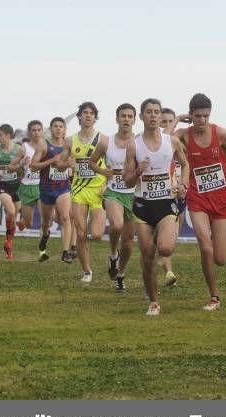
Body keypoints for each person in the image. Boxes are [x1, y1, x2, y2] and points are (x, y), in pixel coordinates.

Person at [170, 94, 226, 311]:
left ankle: (213, 248)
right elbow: (163, 142)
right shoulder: (184, 134)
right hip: (197, 198)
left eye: (206, 116)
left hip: (220, 199)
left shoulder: (219, 133)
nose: (202, 120)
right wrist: (177, 119)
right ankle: (214, 296)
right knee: (205, 246)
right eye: (198, 116)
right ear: (191, 115)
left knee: (220, 258)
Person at [122, 98, 189, 316]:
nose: (153, 115)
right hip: (142, 206)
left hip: (166, 204)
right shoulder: (134, 144)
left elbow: (185, 164)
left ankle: (160, 265)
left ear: (161, 117)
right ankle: (153, 301)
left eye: (156, 112)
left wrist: (183, 184)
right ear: (141, 117)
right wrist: (138, 172)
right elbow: (127, 181)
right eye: (149, 112)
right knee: (147, 256)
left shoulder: (172, 142)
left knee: (166, 248)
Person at [88, 103, 137, 293]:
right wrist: (103, 171)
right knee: (116, 225)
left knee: (128, 241)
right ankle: (113, 254)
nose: (126, 119)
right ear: (117, 119)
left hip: (133, 194)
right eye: (123, 116)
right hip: (113, 191)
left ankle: (121, 274)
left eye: (130, 116)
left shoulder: (139, 142)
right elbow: (91, 162)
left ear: (134, 120)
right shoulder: (106, 142)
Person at [62, 102, 108, 282]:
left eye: (91, 113)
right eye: (84, 113)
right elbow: (59, 163)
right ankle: (87, 271)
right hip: (79, 190)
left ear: (95, 117)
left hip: (98, 190)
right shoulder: (69, 140)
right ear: (79, 117)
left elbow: (113, 163)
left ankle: (84, 243)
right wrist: (68, 164)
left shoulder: (103, 139)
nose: (88, 115)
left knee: (96, 234)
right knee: (80, 234)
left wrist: (107, 183)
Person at [30, 117, 73, 263]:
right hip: (46, 189)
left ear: (64, 129)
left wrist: (71, 167)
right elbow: (33, 166)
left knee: (65, 217)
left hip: (63, 188)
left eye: (61, 126)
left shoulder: (70, 144)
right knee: (46, 222)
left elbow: (73, 164)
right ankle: (45, 238)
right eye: (55, 126)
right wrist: (50, 161)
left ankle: (65, 252)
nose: (58, 129)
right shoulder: (44, 145)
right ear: (51, 129)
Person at [0, 124, 25, 260]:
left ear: (8, 136)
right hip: (2, 184)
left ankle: (8, 242)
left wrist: (19, 169)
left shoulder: (19, 149)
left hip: (16, 186)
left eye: (1, 135)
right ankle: (9, 242)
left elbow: (25, 167)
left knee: (13, 215)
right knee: (10, 211)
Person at [159, 107, 181, 288]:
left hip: (175, 194)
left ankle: (167, 269)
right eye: (164, 121)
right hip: (153, 197)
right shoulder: (156, 141)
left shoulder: (178, 141)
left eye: (170, 121)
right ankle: (167, 271)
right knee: (158, 239)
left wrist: (184, 184)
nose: (168, 125)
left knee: (171, 239)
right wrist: (178, 118)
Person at [17, 121, 43, 232]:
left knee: (45, 219)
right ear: (29, 132)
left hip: (43, 185)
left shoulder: (46, 146)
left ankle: (42, 247)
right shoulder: (24, 148)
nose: (36, 133)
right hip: (27, 186)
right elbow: (15, 169)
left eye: (38, 130)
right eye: (33, 130)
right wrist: (22, 164)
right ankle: (23, 221)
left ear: (42, 131)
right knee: (29, 223)